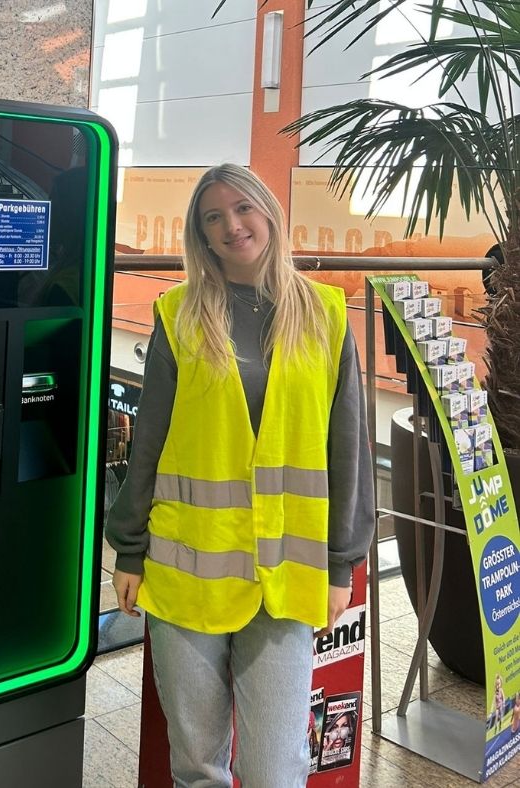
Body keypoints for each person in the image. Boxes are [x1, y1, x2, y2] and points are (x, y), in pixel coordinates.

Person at [105, 163, 375, 787]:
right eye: (213, 217)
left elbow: (348, 451)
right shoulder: (179, 314)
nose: (232, 225)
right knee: (197, 764)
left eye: (243, 208)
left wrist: (341, 565)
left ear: (269, 213)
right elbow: (149, 443)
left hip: (286, 573)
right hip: (187, 565)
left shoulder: (325, 315)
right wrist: (130, 550)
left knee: (275, 767)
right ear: (200, 234)